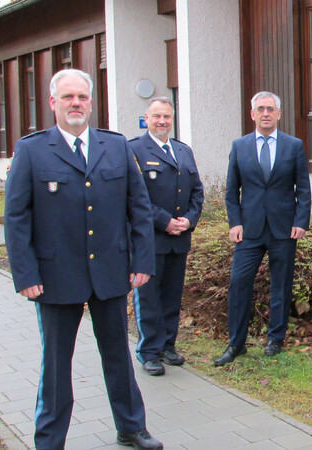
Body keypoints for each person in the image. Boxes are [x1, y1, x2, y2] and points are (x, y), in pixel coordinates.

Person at [4, 69, 162, 450]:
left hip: (110, 271)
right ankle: (50, 439)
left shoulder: (116, 146)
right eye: (68, 97)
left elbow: (138, 209)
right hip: (55, 276)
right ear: (52, 103)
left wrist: (142, 261)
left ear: (92, 103)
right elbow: (16, 217)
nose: (76, 104)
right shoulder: (32, 150)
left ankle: (131, 427)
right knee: (56, 365)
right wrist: (25, 273)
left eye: (82, 97)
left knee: (118, 356)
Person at [216, 91, 311, 366]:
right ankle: (236, 343)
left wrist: (301, 221)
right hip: (249, 229)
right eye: (261, 109)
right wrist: (234, 222)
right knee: (238, 284)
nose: (266, 113)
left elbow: (303, 188)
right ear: (252, 114)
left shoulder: (293, 146)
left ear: (279, 114)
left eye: (270, 109)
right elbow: (232, 190)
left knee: (280, 285)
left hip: (284, 229)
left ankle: (275, 339)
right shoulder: (239, 146)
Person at [129, 97, 204, 376]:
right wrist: (165, 221)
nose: (162, 122)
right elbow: (134, 197)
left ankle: (168, 346)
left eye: (167, 117)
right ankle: (148, 351)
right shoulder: (134, 149)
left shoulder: (183, 151)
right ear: (146, 119)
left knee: (172, 295)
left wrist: (189, 220)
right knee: (148, 297)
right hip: (149, 239)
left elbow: (197, 191)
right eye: (157, 116)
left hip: (178, 239)